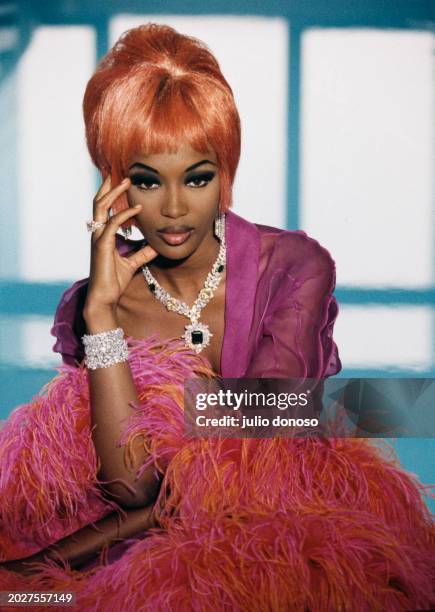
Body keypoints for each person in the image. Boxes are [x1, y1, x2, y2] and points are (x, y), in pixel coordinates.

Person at [0, 23, 434, 611]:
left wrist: (69, 552)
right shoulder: (93, 301)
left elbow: (246, 462)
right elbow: (130, 484)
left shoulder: (294, 269)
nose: (176, 208)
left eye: (198, 177)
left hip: (281, 519)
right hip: (128, 540)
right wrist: (103, 317)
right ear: (113, 186)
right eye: (148, 181)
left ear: (224, 170)